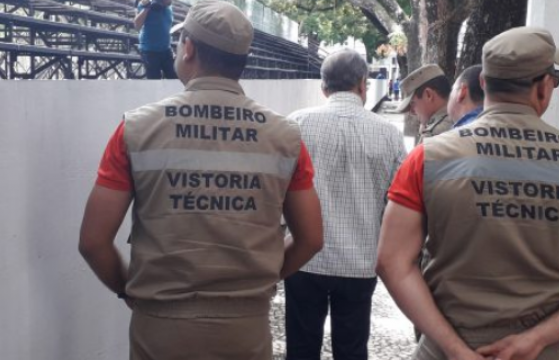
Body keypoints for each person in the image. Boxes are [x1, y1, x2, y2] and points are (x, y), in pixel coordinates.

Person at [78, 1, 324, 359]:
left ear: (188, 48)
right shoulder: (285, 137)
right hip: (247, 330)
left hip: (159, 330)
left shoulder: (134, 129)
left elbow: (93, 241)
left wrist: (130, 291)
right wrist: (262, 281)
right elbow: (312, 238)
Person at [376, 27, 559, 360]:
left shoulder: (428, 158)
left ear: (483, 83)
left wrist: (455, 349)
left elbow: (391, 262)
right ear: (544, 87)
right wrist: (536, 339)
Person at [284, 50, 406, 360]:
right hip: (361, 261)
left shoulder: (296, 124)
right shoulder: (389, 135)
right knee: (352, 349)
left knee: (301, 347)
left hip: (304, 258)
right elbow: (398, 204)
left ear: (324, 88)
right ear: (363, 85)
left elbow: (278, 191)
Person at [395, 64, 453, 143]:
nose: (412, 111)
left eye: (413, 103)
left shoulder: (433, 135)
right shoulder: (464, 118)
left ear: (428, 95)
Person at [135, 0, 177, 79]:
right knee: (154, 81)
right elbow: (137, 26)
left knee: (174, 79)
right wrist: (147, 8)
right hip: (150, 51)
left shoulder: (169, 7)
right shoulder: (145, 4)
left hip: (166, 49)